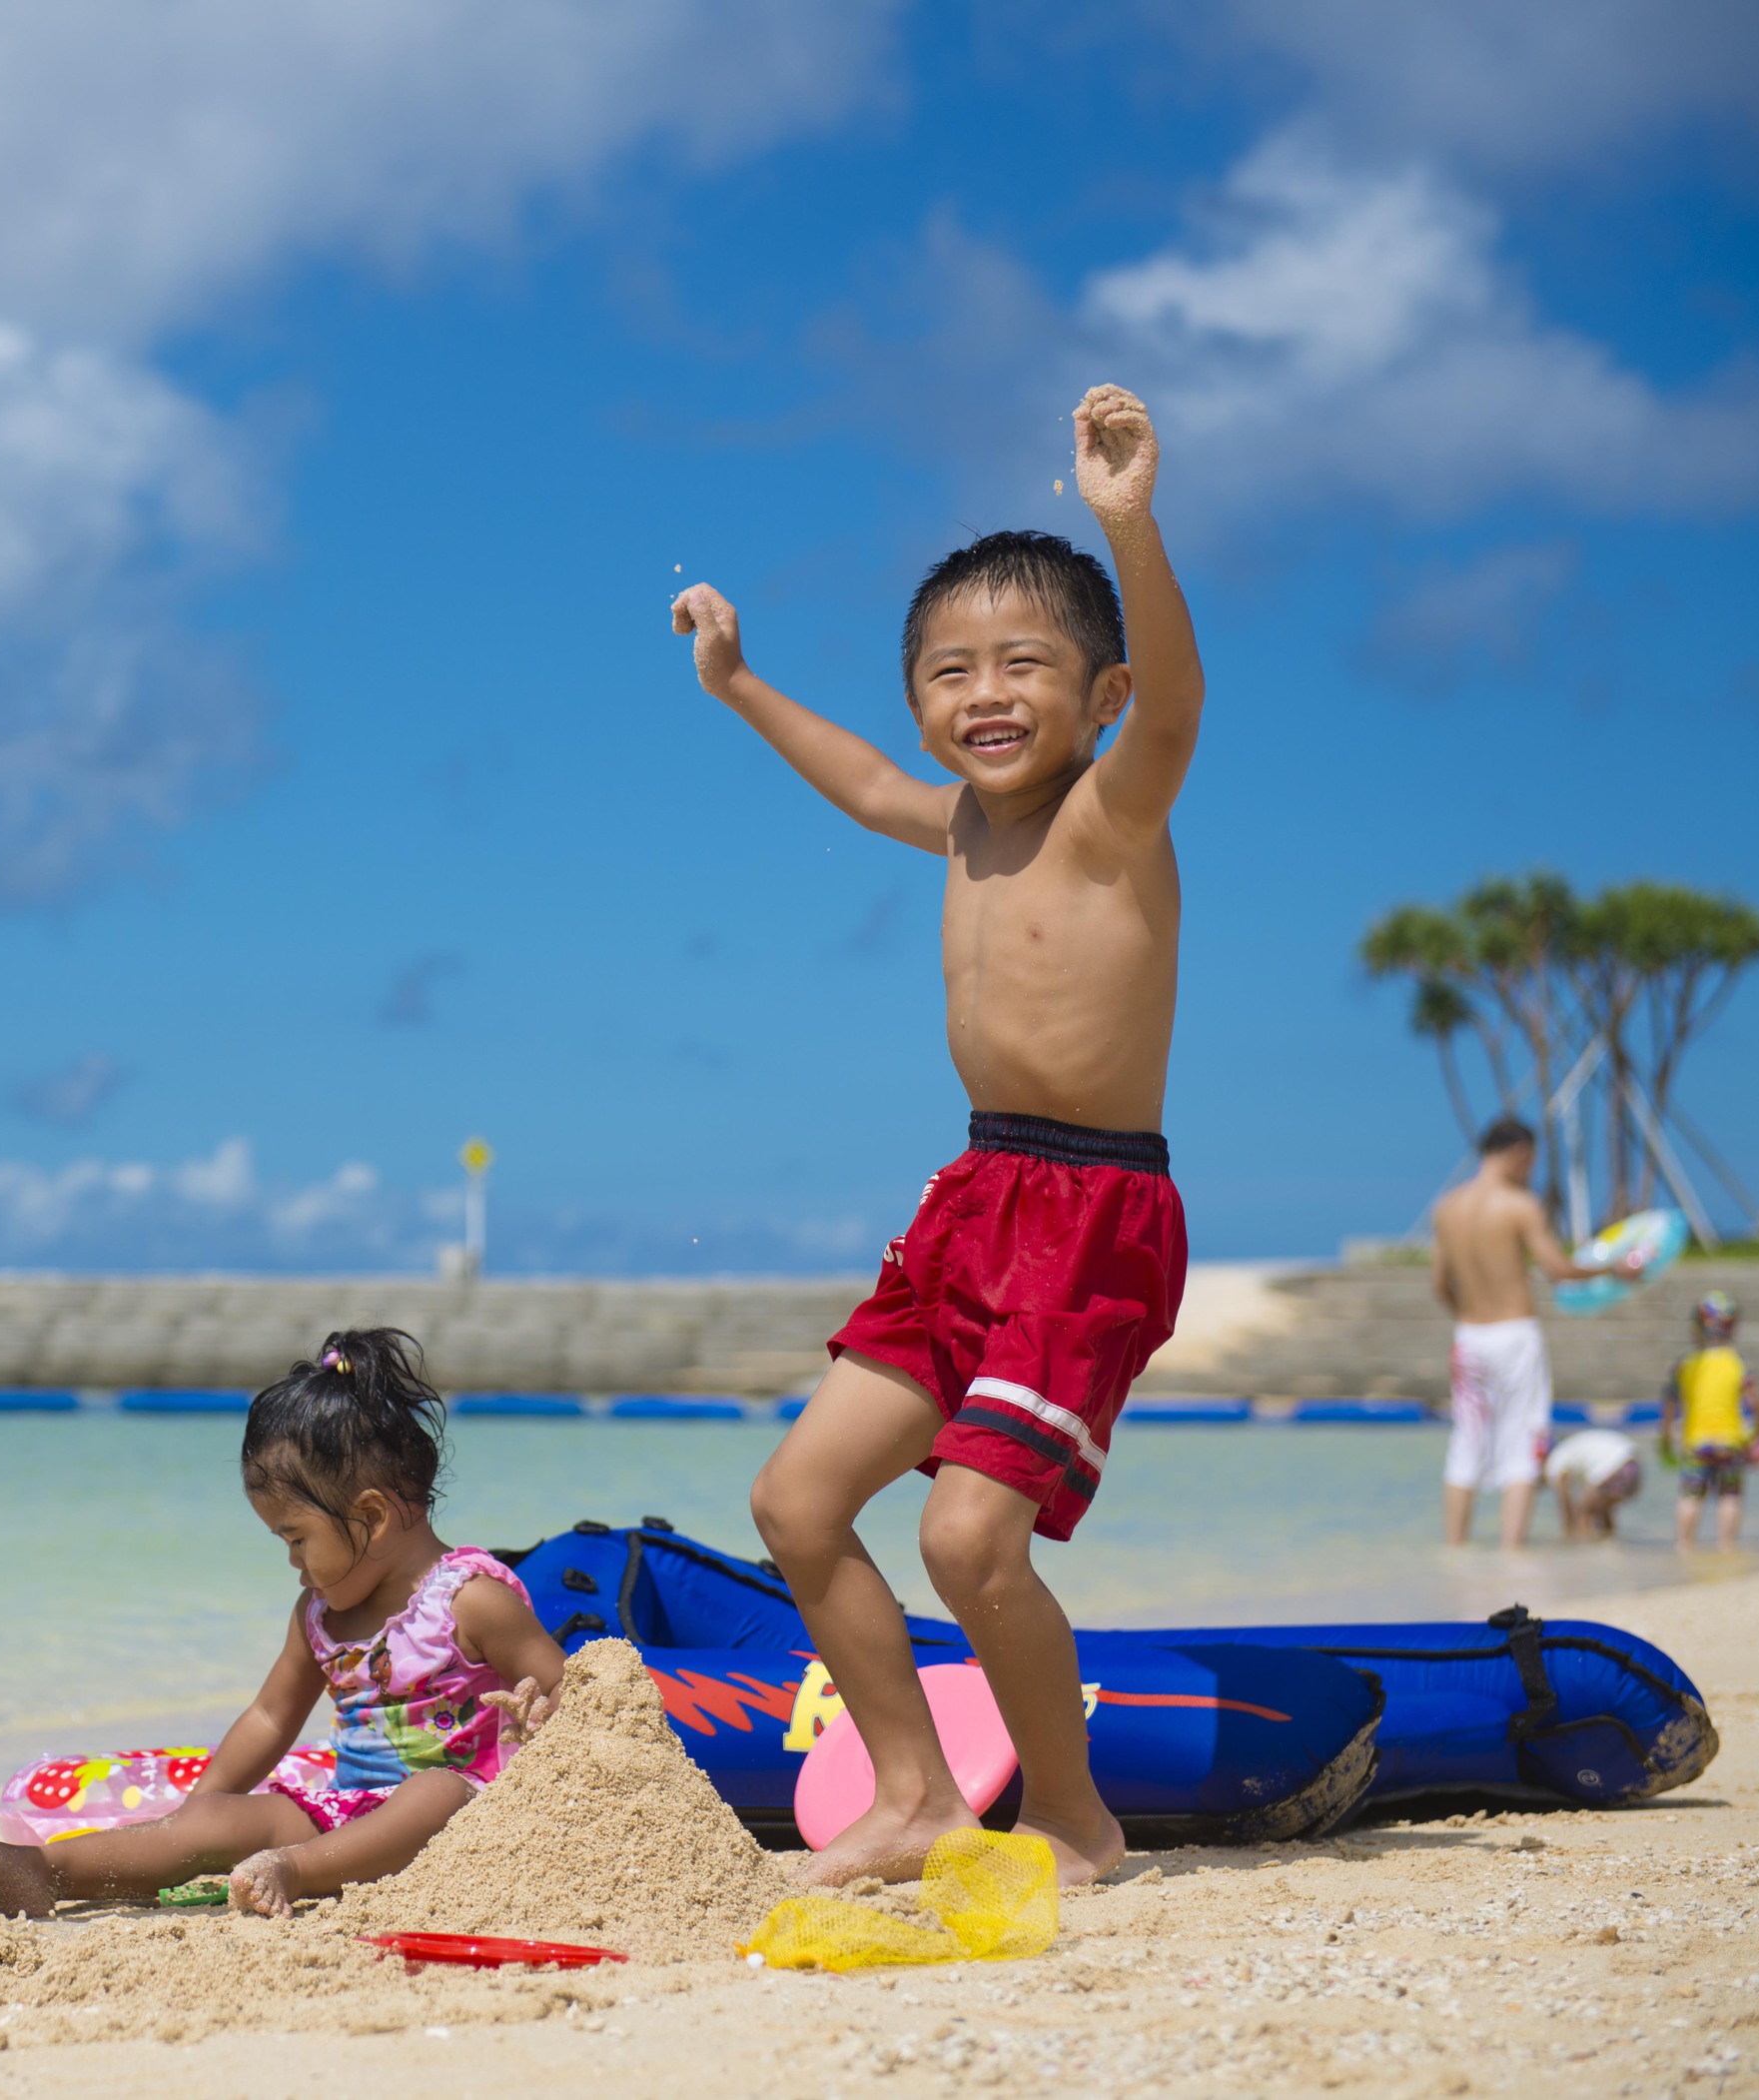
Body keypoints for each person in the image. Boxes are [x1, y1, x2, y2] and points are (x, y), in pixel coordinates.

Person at [670, 385, 1198, 1890]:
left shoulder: (1115, 808)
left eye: (1023, 664)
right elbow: (856, 784)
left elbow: (1177, 704)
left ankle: (1074, 1821)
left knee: (970, 1540)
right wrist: (740, 684)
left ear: (1094, 695)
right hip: (973, 1193)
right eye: (948, 669)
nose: (983, 691)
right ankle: (912, 1793)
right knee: (794, 1499)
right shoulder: (959, 822)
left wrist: (1126, 523)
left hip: (1093, 1214)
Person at [0, 1329, 563, 1919]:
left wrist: (541, 1710)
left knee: (432, 1793)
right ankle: (48, 1870)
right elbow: (268, 1717)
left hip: (469, 1815)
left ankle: (294, 1873)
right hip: (342, 1818)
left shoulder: (470, 1600)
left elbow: (575, 1689)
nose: (292, 1561)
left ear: (370, 1517)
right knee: (212, 1828)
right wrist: (204, 1806)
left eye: (296, 1538)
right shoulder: (320, 1615)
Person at [1429, 1117, 1620, 1551]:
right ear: (1519, 1153)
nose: (1530, 1170)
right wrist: (1615, 1268)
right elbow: (1558, 1268)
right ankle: (1511, 1554)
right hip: (1514, 1335)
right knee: (1521, 1444)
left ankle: (1455, 1551)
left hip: (1469, 1338)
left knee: (1466, 1446)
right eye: (1530, 1161)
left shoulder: (1447, 1207)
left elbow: (1439, 1282)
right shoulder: (1518, 1205)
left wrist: (1466, 1318)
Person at [1664, 1290, 1759, 1554]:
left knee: (1690, 1495)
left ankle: (1684, 1545)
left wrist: (1666, 1434)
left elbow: (1670, 1400)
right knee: (1729, 1495)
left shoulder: (1686, 1364)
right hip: (1731, 1441)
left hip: (1696, 1442)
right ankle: (1727, 1545)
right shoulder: (1736, 1363)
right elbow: (1755, 1401)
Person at [1543, 1426, 1643, 1542]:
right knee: (1604, 1510)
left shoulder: (1553, 1461)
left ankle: (1584, 1553)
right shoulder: (1567, 1448)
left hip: (1613, 1466)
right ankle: (1609, 1547)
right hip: (1632, 1466)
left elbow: (1564, 1497)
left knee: (1583, 1514)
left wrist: (1568, 1529)